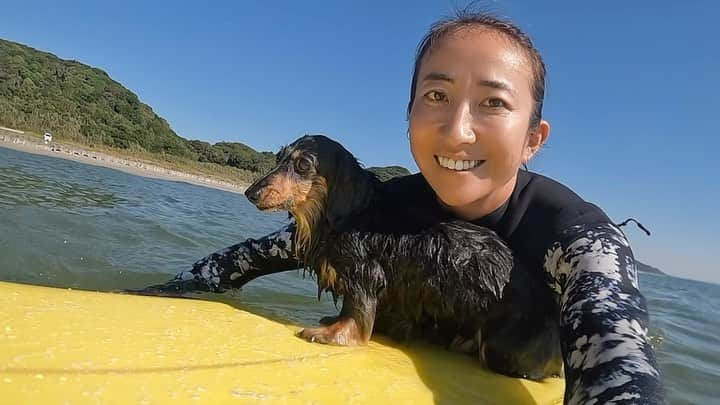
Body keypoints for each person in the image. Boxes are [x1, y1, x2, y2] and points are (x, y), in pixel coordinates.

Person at [142, 10, 664, 404]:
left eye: (494, 102)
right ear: (409, 114)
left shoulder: (577, 239)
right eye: (437, 96)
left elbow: (618, 354)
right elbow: (250, 258)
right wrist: (164, 293)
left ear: (533, 139)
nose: (458, 131)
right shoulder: (371, 214)